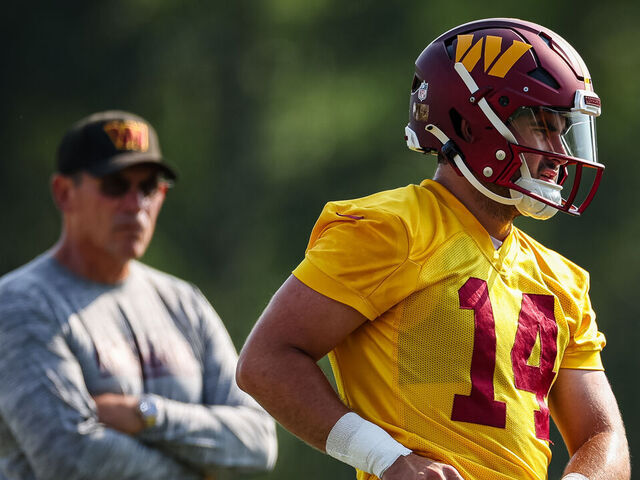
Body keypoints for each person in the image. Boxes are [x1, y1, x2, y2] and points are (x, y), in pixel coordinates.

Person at [236, 18, 630, 480]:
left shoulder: (562, 281)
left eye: (563, 129)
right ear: (472, 122)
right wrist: (386, 459)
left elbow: (603, 438)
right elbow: (266, 360)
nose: (557, 150)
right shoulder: (393, 228)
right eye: (541, 124)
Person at [0, 111, 277, 480]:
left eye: (148, 187)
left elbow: (258, 441)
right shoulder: (20, 305)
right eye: (115, 186)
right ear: (64, 193)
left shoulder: (183, 302)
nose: (135, 205)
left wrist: (145, 415)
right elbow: (70, 459)